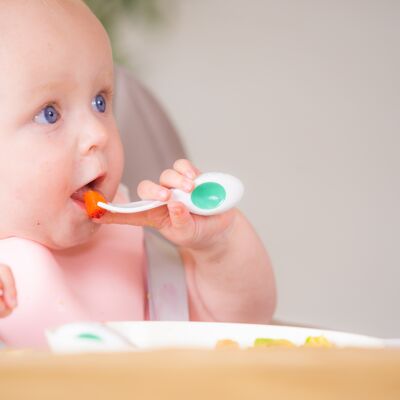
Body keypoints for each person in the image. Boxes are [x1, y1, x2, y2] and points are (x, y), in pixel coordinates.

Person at [0, 0, 276, 348]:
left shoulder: (132, 254)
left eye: (100, 102)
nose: (97, 135)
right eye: (49, 114)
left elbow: (244, 322)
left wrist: (217, 246)